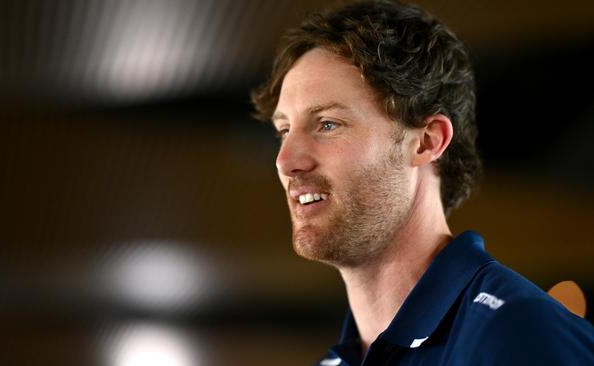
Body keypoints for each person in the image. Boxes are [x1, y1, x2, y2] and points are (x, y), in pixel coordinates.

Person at [250, 0, 594, 365]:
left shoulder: (519, 334)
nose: (285, 161)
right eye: (284, 130)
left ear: (428, 141)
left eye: (327, 124)